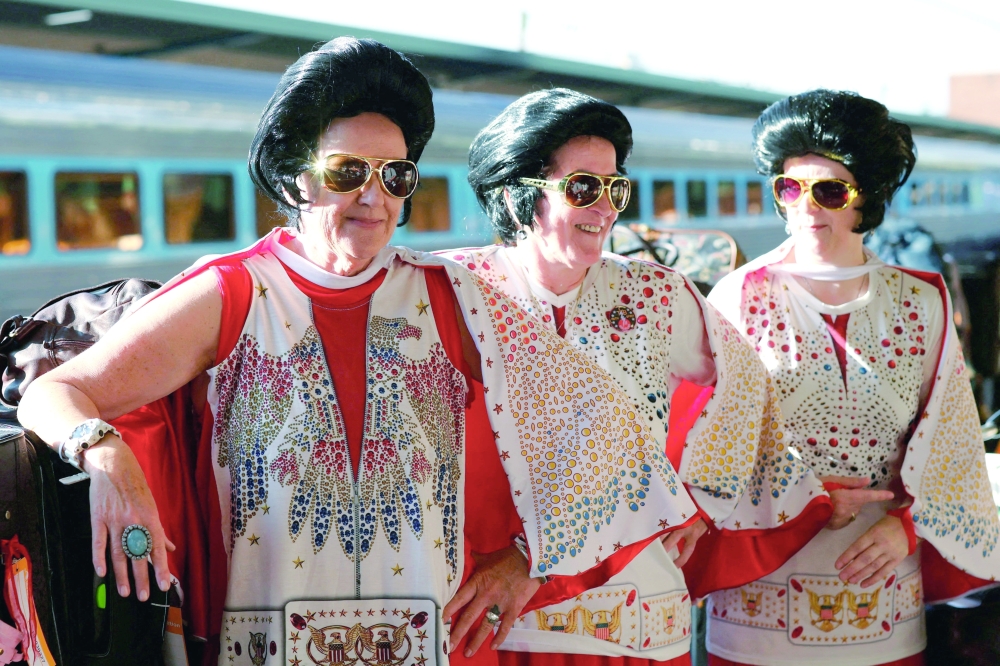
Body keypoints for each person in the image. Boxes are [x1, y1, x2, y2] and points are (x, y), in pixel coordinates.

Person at [18, 40, 697, 665]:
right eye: (348, 172)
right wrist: (105, 453)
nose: (375, 196)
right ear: (295, 178)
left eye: (397, 175)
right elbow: (55, 393)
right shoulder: (231, 295)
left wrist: (527, 560)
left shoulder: (455, 297)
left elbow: (609, 433)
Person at [439, 88, 832, 666]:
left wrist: (699, 497)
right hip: (502, 624)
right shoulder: (452, 288)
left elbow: (744, 382)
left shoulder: (655, 294)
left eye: (615, 188)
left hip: (638, 617)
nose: (606, 208)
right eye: (583, 188)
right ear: (516, 194)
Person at [706, 89, 1000, 666]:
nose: (806, 207)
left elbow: (954, 447)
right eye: (789, 188)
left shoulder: (923, 302)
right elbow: (708, 453)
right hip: (756, 613)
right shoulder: (734, 298)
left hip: (884, 605)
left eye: (829, 190)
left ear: (868, 195)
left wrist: (909, 528)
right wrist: (800, 498)